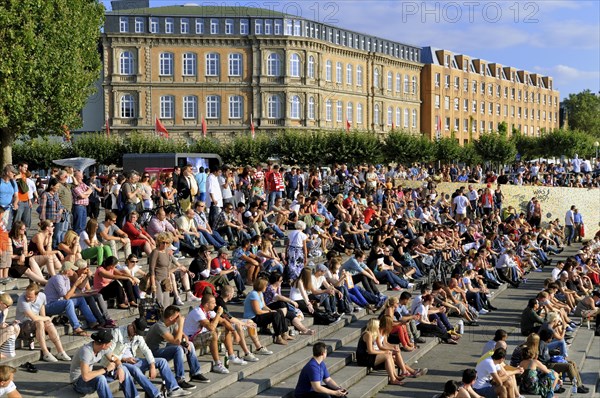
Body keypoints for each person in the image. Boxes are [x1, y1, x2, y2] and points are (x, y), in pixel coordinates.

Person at [109, 317, 191, 397]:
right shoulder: (117, 332)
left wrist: (152, 365)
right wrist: (124, 359)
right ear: (132, 325)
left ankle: (173, 389)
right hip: (119, 363)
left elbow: (146, 350)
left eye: (138, 333)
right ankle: (156, 394)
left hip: (134, 360)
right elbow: (109, 353)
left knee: (162, 361)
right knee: (135, 369)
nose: (135, 334)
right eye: (135, 331)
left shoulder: (137, 335)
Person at [144, 305, 210, 390]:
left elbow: (182, 336)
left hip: (163, 348)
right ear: (171, 318)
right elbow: (176, 341)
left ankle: (195, 373)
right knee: (178, 349)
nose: (179, 318)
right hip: (154, 353)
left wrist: (186, 342)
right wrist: (181, 324)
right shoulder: (160, 326)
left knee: (190, 344)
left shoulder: (172, 323)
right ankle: (180, 379)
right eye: (177, 317)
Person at [183, 294, 247, 375]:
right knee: (212, 334)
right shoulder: (198, 312)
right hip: (190, 340)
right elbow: (211, 328)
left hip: (201, 335)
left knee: (225, 328)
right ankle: (217, 364)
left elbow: (223, 321)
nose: (215, 305)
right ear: (207, 304)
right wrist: (218, 314)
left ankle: (232, 356)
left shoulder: (209, 311)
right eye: (213, 303)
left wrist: (234, 332)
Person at [69, 329, 137, 398]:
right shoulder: (86, 352)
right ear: (103, 345)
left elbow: (115, 359)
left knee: (124, 369)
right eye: (109, 343)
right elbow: (86, 377)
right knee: (100, 378)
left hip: (91, 377)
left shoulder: (103, 349)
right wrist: (106, 369)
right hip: (78, 382)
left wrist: (119, 367)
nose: (111, 344)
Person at [44, 261, 99, 335]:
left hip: (58, 302)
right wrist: (75, 285)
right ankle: (76, 327)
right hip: (49, 305)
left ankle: (92, 322)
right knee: (68, 302)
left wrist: (83, 294)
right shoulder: (58, 279)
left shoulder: (66, 278)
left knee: (81, 299)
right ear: (67, 271)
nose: (74, 271)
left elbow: (69, 294)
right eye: (72, 269)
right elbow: (66, 297)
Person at [355, 318, 405, 386]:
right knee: (387, 355)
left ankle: (395, 376)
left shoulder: (372, 334)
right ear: (374, 326)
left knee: (389, 354)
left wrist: (387, 351)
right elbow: (370, 351)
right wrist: (384, 352)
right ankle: (393, 379)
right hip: (363, 358)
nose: (379, 326)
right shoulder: (368, 334)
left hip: (368, 356)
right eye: (378, 325)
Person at [243, 278, 289, 345]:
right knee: (275, 315)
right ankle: (278, 337)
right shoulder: (254, 294)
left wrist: (271, 310)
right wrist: (270, 312)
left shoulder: (260, 293)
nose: (266, 287)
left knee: (279, 311)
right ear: (261, 286)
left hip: (258, 315)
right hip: (253, 318)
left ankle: (284, 333)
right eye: (265, 286)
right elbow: (258, 311)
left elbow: (264, 306)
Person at [0, 294, 19, 359]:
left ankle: (8, 349)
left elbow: (2, 323)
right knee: (10, 329)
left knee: (16, 327)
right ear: (1, 303)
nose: (8, 308)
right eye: (7, 306)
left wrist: (11, 323)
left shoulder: (4, 310)